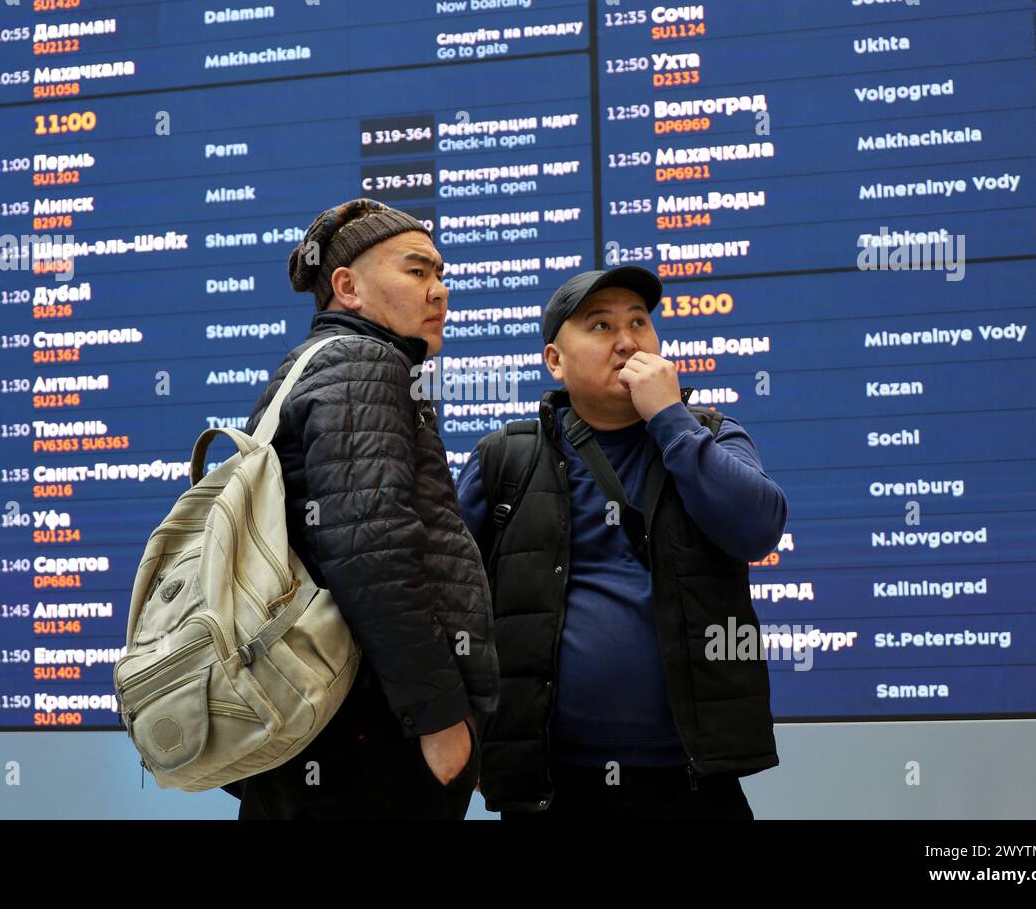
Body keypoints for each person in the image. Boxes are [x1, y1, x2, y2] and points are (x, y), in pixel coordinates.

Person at [455, 265, 787, 819]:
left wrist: (670, 418)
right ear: (555, 362)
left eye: (639, 322)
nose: (628, 340)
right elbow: (450, 598)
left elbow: (757, 530)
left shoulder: (709, 435)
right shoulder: (503, 459)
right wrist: (470, 734)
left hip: (692, 777)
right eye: (601, 326)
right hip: (551, 784)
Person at [228, 198, 498, 819]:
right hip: (368, 733)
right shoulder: (365, 363)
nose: (440, 291)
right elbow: (372, 554)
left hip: (319, 721)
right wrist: (438, 720)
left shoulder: (314, 366)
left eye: (440, 274)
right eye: (417, 271)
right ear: (346, 286)